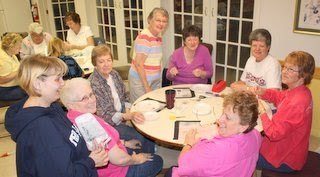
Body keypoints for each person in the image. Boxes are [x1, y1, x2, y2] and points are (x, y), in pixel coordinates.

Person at [5, 55, 109, 177]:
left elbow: (68, 139)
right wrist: (91, 162)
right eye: (57, 79)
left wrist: (88, 146)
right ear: (38, 84)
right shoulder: (40, 129)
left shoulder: (52, 105)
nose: (62, 83)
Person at [60, 78, 163, 177]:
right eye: (84, 98)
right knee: (157, 161)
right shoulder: (88, 123)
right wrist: (136, 159)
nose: (91, 100)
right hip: (117, 172)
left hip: (111, 161)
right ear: (71, 105)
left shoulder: (71, 117)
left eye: (91, 94)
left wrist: (125, 143)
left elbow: (104, 144)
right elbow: (120, 160)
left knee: (141, 148)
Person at [165, 91, 262, 177]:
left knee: (170, 171)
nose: (219, 120)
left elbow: (183, 164)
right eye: (223, 113)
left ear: (243, 126)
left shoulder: (215, 150)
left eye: (227, 118)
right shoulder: (256, 135)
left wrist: (188, 144)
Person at [253, 51, 315, 173]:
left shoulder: (297, 102)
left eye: (291, 69)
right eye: (285, 67)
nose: (284, 71)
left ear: (303, 75)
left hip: (285, 159)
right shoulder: (300, 90)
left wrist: (262, 112)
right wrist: (263, 92)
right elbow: (279, 96)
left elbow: (273, 133)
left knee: (240, 155)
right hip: (289, 148)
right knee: (249, 141)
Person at [89, 45, 155, 153]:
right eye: (101, 62)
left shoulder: (114, 74)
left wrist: (128, 114)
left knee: (146, 127)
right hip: (109, 125)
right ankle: (145, 160)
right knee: (140, 135)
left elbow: (125, 96)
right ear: (95, 64)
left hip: (123, 116)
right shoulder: (93, 84)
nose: (106, 64)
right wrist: (126, 117)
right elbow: (104, 115)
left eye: (108, 60)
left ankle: (149, 152)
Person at [128, 7, 169, 102]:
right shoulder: (145, 37)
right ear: (150, 20)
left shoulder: (156, 36)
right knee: (140, 108)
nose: (161, 24)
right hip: (141, 81)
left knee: (154, 106)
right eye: (158, 20)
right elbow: (139, 64)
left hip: (153, 80)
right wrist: (146, 87)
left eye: (164, 21)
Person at [0, 33, 27, 101]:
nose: (20, 49)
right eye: (19, 47)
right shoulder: (3, 58)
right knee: (30, 92)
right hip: (5, 90)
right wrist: (20, 70)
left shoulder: (12, 54)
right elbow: (2, 80)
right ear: (11, 46)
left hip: (15, 86)